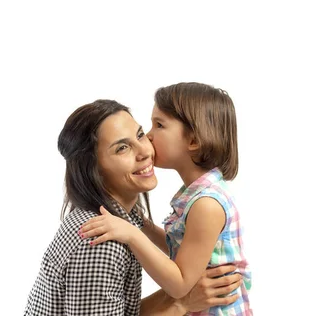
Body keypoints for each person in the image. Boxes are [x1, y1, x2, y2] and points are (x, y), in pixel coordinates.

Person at [24, 99, 242, 316]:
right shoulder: (100, 243)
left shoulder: (124, 221)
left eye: (139, 135)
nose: (145, 151)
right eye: (122, 148)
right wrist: (180, 303)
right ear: (94, 169)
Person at [81, 83, 252, 315]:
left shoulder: (207, 205)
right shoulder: (196, 192)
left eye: (159, 125)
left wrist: (131, 234)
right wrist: (141, 225)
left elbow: (180, 284)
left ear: (193, 140)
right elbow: (181, 245)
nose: (148, 137)